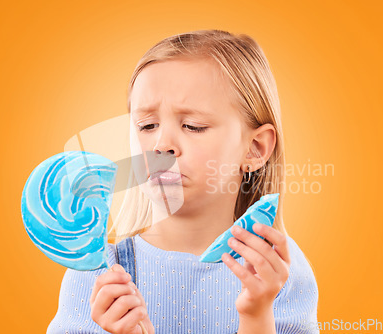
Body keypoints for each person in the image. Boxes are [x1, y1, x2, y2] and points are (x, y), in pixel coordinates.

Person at [47, 29, 319, 334]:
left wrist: (257, 315)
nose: (162, 144)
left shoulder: (278, 270)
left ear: (255, 148)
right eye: (147, 125)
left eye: (193, 126)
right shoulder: (95, 275)